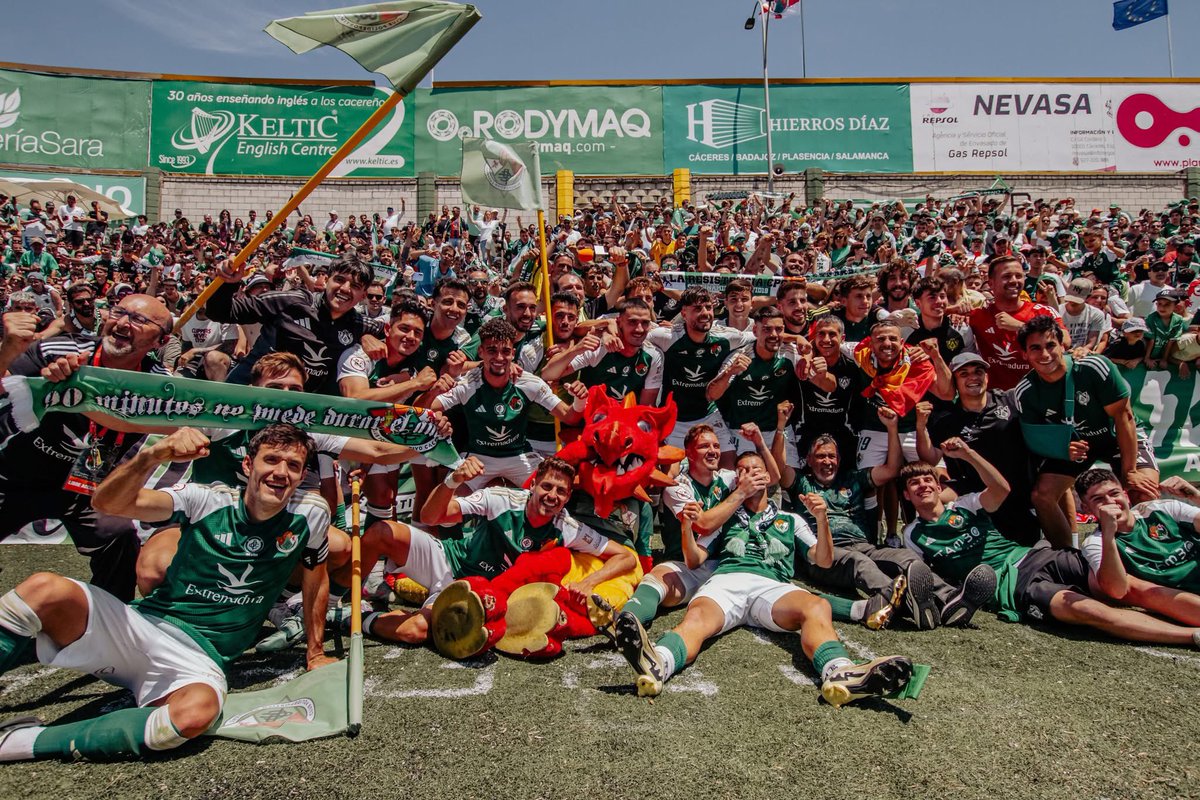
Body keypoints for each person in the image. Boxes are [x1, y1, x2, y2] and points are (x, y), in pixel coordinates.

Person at [0, 424, 334, 762]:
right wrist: (154, 454)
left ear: (303, 474)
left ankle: (19, 742)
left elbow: (316, 577)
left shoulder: (311, 514)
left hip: (198, 660)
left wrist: (315, 652)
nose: (280, 473)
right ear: (249, 465)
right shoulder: (206, 499)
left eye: (293, 465)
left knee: (194, 716)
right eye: (271, 460)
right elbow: (108, 502)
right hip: (142, 627)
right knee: (44, 589)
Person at [611, 450, 914, 706]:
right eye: (742, 471)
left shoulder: (790, 519)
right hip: (727, 579)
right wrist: (687, 528)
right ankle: (658, 663)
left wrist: (821, 519)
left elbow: (822, 560)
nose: (749, 474)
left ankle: (840, 672)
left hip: (771, 585)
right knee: (697, 620)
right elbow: (694, 560)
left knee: (815, 607)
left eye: (755, 469)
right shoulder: (724, 515)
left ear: (767, 477)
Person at [902, 448, 1200, 647]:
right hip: (1012, 584)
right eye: (914, 484)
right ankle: (1191, 636)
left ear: (939, 488)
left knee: (1127, 588)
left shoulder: (964, 505)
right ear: (907, 494)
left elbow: (1001, 489)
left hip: (1038, 555)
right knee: (1088, 610)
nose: (923, 486)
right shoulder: (912, 535)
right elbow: (924, 577)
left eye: (928, 480)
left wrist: (968, 454)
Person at [347, 456, 635, 648]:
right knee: (382, 532)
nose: (552, 496)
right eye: (547, 486)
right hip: (448, 559)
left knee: (415, 632)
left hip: (477, 594)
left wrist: (588, 583)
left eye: (561, 491)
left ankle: (354, 619)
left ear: (568, 497)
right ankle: (343, 596)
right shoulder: (500, 498)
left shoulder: (568, 527)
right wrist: (452, 481)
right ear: (532, 484)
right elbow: (432, 516)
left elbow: (626, 557)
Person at [0, 295, 175, 600]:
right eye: (119, 312)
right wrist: (8, 350)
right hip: (12, 476)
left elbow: (191, 424)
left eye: (139, 320)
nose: (122, 322)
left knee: (120, 539)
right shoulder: (61, 349)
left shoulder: (161, 386)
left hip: (86, 489)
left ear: (161, 341)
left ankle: (106, 629)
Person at [1013, 315, 1158, 548]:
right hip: (1080, 445)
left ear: (1063, 345)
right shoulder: (1026, 391)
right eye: (1035, 348)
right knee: (1042, 495)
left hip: (1117, 436)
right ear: (1025, 355)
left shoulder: (1093, 366)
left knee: (1143, 489)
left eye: (1051, 345)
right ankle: (1068, 554)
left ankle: (1152, 550)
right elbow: (1036, 439)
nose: (1045, 354)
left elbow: (1124, 417)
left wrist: (1129, 471)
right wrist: (1061, 449)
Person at [426, 317, 586, 489]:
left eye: (505, 351)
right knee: (444, 508)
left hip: (518, 456)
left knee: (548, 490)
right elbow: (429, 407)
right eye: (492, 350)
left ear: (513, 352)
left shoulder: (529, 382)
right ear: (481, 352)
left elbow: (570, 417)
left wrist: (579, 399)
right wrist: (436, 401)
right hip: (478, 457)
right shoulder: (467, 384)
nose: (499, 357)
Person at [205, 254, 384, 394]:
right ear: (326, 280)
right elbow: (221, 312)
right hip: (247, 395)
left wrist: (368, 337)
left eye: (354, 285)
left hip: (299, 412)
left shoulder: (360, 325)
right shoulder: (292, 300)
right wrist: (226, 284)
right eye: (339, 279)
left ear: (363, 296)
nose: (345, 288)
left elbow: (401, 336)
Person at [1076, 470, 1200, 621]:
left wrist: (1195, 496)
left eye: (1114, 493)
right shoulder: (1095, 542)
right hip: (1184, 600)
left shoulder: (1160, 509)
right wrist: (1109, 534)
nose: (1110, 501)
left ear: (1125, 495)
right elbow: (1117, 590)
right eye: (1098, 499)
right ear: (1086, 508)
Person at [646, 287, 753, 452]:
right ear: (683, 314)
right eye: (697, 308)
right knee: (672, 471)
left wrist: (795, 338)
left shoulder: (726, 338)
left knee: (729, 463)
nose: (705, 313)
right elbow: (633, 334)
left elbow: (759, 335)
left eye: (708, 307)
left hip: (708, 414)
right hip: (674, 418)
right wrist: (606, 330)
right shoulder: (666, 337)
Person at [969, 256, 1063, 391]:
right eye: (1007, 276)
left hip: (1039, 394)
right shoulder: (978, 315)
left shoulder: (1043, 311)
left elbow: (1065, 340)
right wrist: (954, 312)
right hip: (998, 399)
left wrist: (1021, 326)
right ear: (991, 284)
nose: (1014, 281)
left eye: (1019, 276)